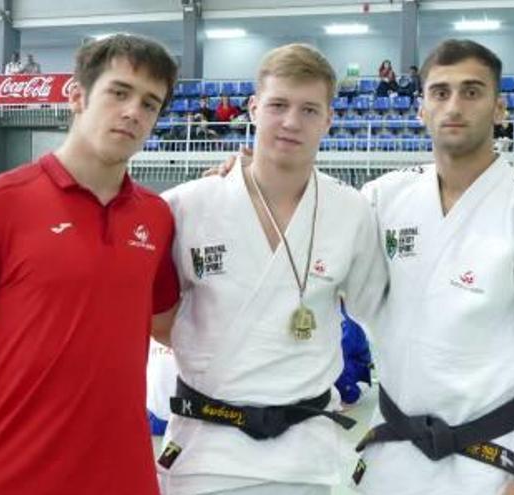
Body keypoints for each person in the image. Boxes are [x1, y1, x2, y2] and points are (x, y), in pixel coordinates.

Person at [0, 34, 180, 495]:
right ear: (76, 96)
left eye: (150, 104)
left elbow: (170, 325)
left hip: (123, 478)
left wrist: (237, 190)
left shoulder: (156, 216)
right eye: (119, 92)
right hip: (8, 475)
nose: (134, 111)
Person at [354, 39, 514, 495]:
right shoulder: (381, 198)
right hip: (392, 451)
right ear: (421, 108)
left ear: (499, 107)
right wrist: (247, 177)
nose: (454, 106)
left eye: (472, 91)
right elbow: (311, 221)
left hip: (490, 458)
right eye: (440, 92)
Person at [156, 43, 387, 495]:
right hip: (206, 444)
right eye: (278, 105)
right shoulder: (186, 206)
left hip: (308, 449)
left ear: (329, 119)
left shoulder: (352, 211)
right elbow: (155, 320)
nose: (290, 122)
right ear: (254, 108)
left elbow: (376, 311)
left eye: (308, 109)